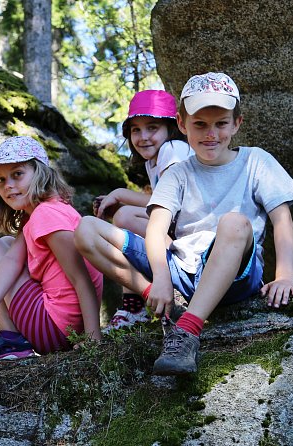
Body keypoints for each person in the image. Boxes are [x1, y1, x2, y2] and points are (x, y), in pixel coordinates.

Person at [75, 72, 293, 375]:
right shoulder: (178, 173)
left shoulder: (256, 161)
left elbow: (282, 218)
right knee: (87, 229)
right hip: (183, 270)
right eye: (200, 124)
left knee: (234, 222)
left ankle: (187, 329)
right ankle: (163, 302)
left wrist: (285, 275)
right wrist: (160, 278)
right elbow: (156, 227)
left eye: (221, 123)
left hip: (236, 273)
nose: (211, 133)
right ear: (182, 125)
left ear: (237, 123)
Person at [0, 136, 103, 360]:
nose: (8, 185)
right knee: (7, 243)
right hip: (64, 327)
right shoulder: (44, 211)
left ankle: (11, 340)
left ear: (40, 173)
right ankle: (12, 338)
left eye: (17, 174)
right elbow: (12, 260)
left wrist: (93, 339)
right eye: (0, 180)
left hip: (54, 328)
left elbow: (83, 279)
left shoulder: (46, 215)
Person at [93, 90, 193, 332]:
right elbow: (155, 201)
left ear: (172, 127)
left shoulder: (174, 149)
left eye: (152, 128)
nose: (143, 137)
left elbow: (168, 203)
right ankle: (134, 304)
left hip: (191, 244)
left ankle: (134, 305)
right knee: (124, 215)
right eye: (136, 130)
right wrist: (116, 195)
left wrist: (120, 198)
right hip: (179, 237)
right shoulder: (154, 161)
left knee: (124, 217)